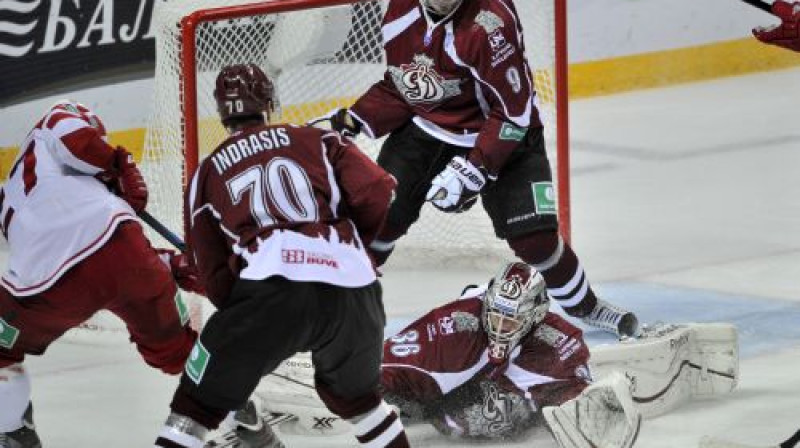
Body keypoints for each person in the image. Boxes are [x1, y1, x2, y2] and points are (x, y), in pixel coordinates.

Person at [328, 0, 638, 337]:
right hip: (429, 130)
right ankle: (335, 314)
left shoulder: (490, 25)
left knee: (536, 241)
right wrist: (355, 118)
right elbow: (406, 83)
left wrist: (476, 168)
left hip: (504, 132)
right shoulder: (400, 11)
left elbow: (514, 111)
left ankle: (587, 306)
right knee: (375, 219)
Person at [153, 63, 410, 448]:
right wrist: (356, 247)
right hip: (354, 289)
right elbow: (377, 189)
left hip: (272, 291)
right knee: (364, 406)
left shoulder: (207, 173)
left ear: (223, 112)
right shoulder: (318, 140)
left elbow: (209, 266)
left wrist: (241, 313)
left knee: (194, 409)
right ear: (270, 101)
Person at [0, 100, 200, 446]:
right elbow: (75, 138)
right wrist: (117, 164)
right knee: (177, 354)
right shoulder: (55, 120)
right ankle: (242, 414)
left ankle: (13, 433)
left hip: (49, 282)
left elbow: (70, 243)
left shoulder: (15, 193)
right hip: (125, 250)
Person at [379, 262, 641, 447]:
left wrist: (587, 408)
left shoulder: (558, 343)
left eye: (511, 322)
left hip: (481, 411)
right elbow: (392, 359)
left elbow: (579, 399)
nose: (499, 330)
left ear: (534, 317)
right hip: (438, 404)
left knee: (511, 405)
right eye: (495, 318)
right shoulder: (458, 326)